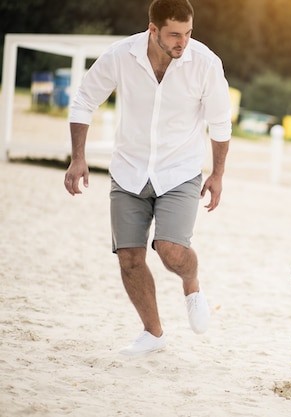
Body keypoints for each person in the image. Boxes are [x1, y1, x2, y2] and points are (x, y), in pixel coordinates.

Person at [63, 0, 232, 355]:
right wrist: (78, 157)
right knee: (129, 257)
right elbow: (84, 101)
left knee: (171, 251)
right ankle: (153, 334)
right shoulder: (121, 55)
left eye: (187, 33)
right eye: (174, 34)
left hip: (180, 171)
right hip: (128, 169)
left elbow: (220, 123)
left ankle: (192, 283)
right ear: (153, 30)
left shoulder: (205, 64)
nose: (182, 42)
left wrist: (217, 173)